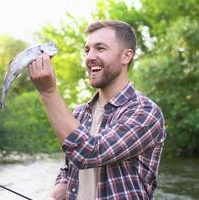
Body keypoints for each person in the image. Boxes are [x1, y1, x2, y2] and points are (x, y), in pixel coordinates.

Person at [28, 20, 166, 200]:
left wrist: (48, 92)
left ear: (126, 56)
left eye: (100, 48)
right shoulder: (78, 113)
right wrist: (59, 188)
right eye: (87, 50)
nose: (89, 57)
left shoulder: (145, 112)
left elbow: (88, 153)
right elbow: (70, 166)